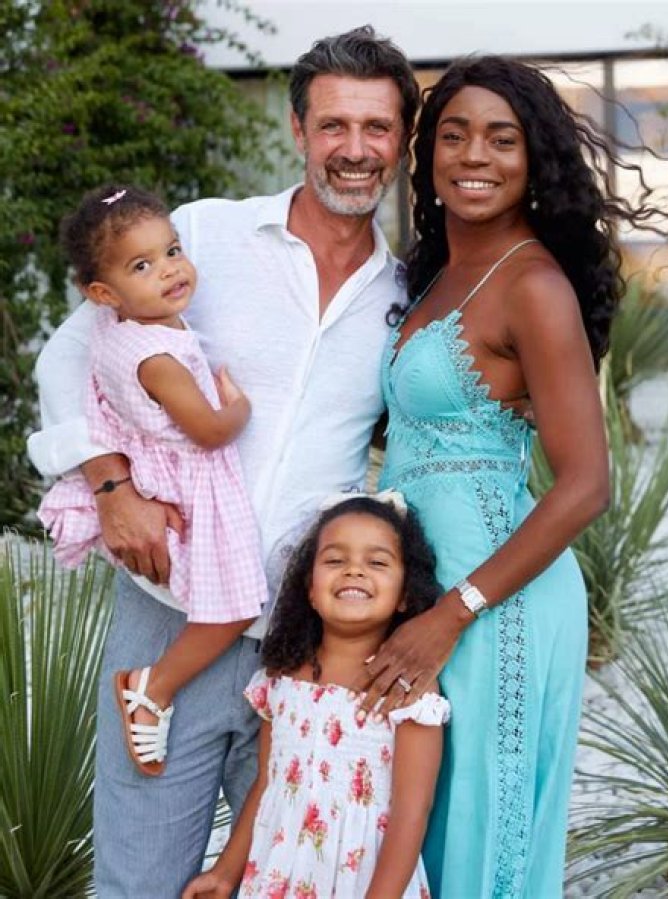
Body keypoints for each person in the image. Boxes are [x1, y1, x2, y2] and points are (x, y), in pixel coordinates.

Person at [27, 26, 420, 898]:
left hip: (306, 638)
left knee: (300, 876)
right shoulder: (203, 235)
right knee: (140, 877)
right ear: (297, 128)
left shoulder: (405, 298)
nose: (355, 149)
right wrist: (110, 485)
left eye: (377, 127)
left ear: (401, 140)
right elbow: (67, 358)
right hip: (172, 611)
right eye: (333, 124)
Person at [352, 57, 668, 897]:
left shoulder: (533, 284)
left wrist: (454, 611)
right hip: (428, 589)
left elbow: (587, 484)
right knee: (414, 832)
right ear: (427, 154)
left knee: (480, 836)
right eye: (455, 135)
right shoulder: (438, 272)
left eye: (502, 139)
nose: (475, 155)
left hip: (494, 599)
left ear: (534, 159)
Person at [38, 184, 268, 776]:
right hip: (197, 484)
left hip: (163, 477)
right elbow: (208, 431)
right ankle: (152, 687)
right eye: (142, 266)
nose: (169, 270)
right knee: (238, 605)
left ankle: (158, 687)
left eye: (172, 251)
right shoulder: (159, 357)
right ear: (102, 293)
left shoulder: (119, 331)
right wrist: (239, 409)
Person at [182, 493, 448, 899]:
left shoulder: (407, 689)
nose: (354, 570)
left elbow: (412, 812)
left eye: (377, 563)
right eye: (335, 560)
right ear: (309, 588)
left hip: (365, 883)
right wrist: (224, 873)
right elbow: (268, 784)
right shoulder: (282, 678)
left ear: (405, 594)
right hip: (279, 874)